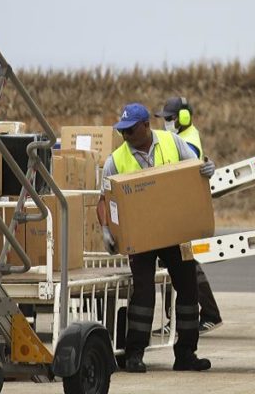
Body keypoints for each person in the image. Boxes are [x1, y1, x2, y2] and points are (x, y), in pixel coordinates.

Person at [97, 103, 216, 373]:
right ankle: (135, 354)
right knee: (144, 293)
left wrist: (208, 168)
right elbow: (104, 200)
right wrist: (107, 230)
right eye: (122, 131)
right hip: (140, 237)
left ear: (146, 126)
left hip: (176, 231)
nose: (125, 136)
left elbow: (197, 168)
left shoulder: (172, 142)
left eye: (130, 130)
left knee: (188, 289)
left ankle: (186, 354)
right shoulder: (115, 161)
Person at [154, 96, 223, 334]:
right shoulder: (180, 137)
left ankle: (192, 317)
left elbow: (185, 169)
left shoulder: (188, 140)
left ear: (183, 118)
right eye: (164, 119)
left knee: (180, 265)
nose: (166, 123)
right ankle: (203, 315)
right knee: (185, 263)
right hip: (176, 209)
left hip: (181, 211)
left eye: (170, 119)